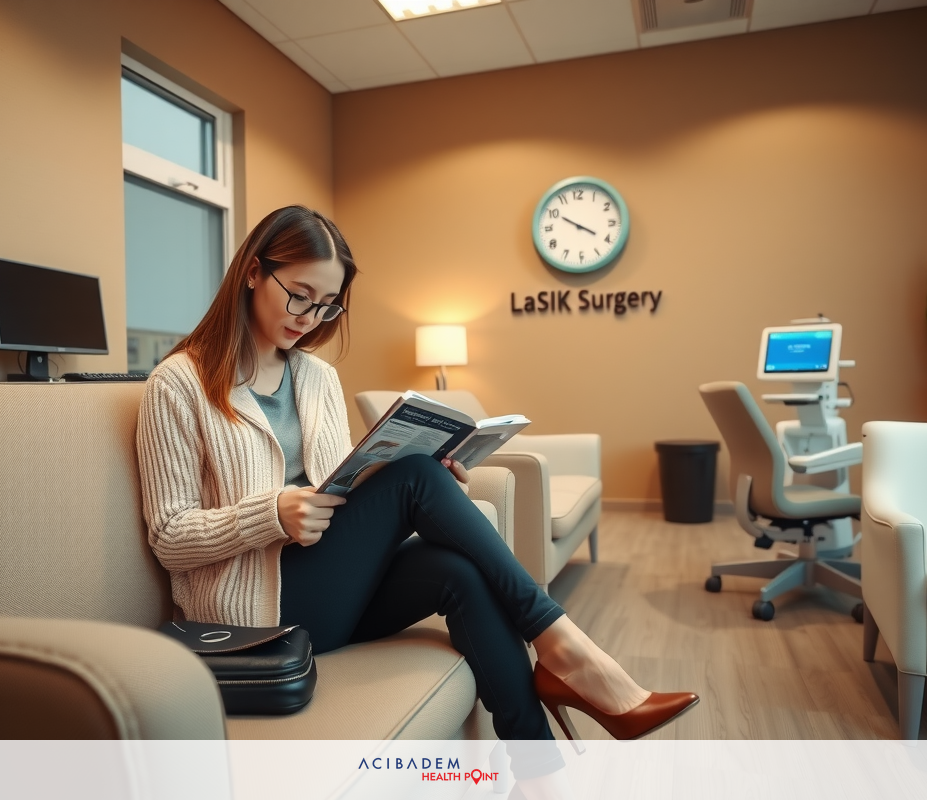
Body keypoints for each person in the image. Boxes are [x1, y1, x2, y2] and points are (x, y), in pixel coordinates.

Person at [136, 206, 698, 786]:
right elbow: (168, 537)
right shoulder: (179, 383)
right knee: (413, 478)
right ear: (253, 272)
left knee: (456, 565)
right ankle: (570, 651)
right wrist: (270, 514)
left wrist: (404, 483)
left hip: (328, 586)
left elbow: (339, 489)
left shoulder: (317, 378)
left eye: (327, 305)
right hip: (259, 613)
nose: (310, 317)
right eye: (299, 295)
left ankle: (540, 772)